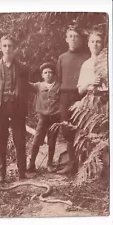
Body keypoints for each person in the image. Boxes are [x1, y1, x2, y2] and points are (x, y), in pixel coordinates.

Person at [0, 35, 28, 183]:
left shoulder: (22, 67)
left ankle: (22, 172)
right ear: (0, 48)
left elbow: (26, 90)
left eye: (10, 46)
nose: (7, 49)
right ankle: (0, 174)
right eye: (5, 46)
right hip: (0, 108)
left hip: (17, 108)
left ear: (14, 48)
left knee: (20, 140)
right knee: (0, 141)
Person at [57, 25, 89, 174]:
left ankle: (84, 164)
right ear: (66, 39)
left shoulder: (87, 57)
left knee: (82, 129)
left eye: (76, 36)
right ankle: (71, 164)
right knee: (66, 128)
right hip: (65, 96)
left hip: (81, 96)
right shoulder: (62, 58)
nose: (73, 39)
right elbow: (58, 80)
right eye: (70, 36)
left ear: (81, 40)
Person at [27, 62, 61, 173]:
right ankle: (31, 164)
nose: (48, 74)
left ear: (54, 74)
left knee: (52, 141)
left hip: (55, 118)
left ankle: (49, 163)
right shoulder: (38, 86)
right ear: (42, 75)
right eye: (45, 73)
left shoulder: (59, 86)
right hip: (43, 118)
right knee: (37, 139)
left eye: (50, 72)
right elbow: (26, 85)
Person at [77, 30, 104, 94]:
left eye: (98, 42)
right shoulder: (86, 64)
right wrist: (91, 81)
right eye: (92, 42)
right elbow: (80, 90)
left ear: (102, 45)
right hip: (91, 99)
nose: (95, 44)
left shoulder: (107, 61)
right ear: (88, 44)